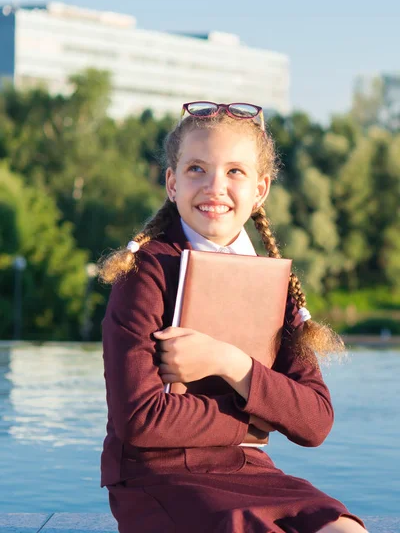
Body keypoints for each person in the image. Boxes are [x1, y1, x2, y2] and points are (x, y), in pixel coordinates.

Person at [99, 102, 368, 533]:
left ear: (260, 189)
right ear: (172, 183)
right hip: (158, 477)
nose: (214, 187)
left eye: (235, 172)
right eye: (196, 170)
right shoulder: (144, 274)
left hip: (251, 469)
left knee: (347, 530)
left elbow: (315, 420)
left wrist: (230, 364)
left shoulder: (272, 281)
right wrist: (260, 415)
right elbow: (141, 421)